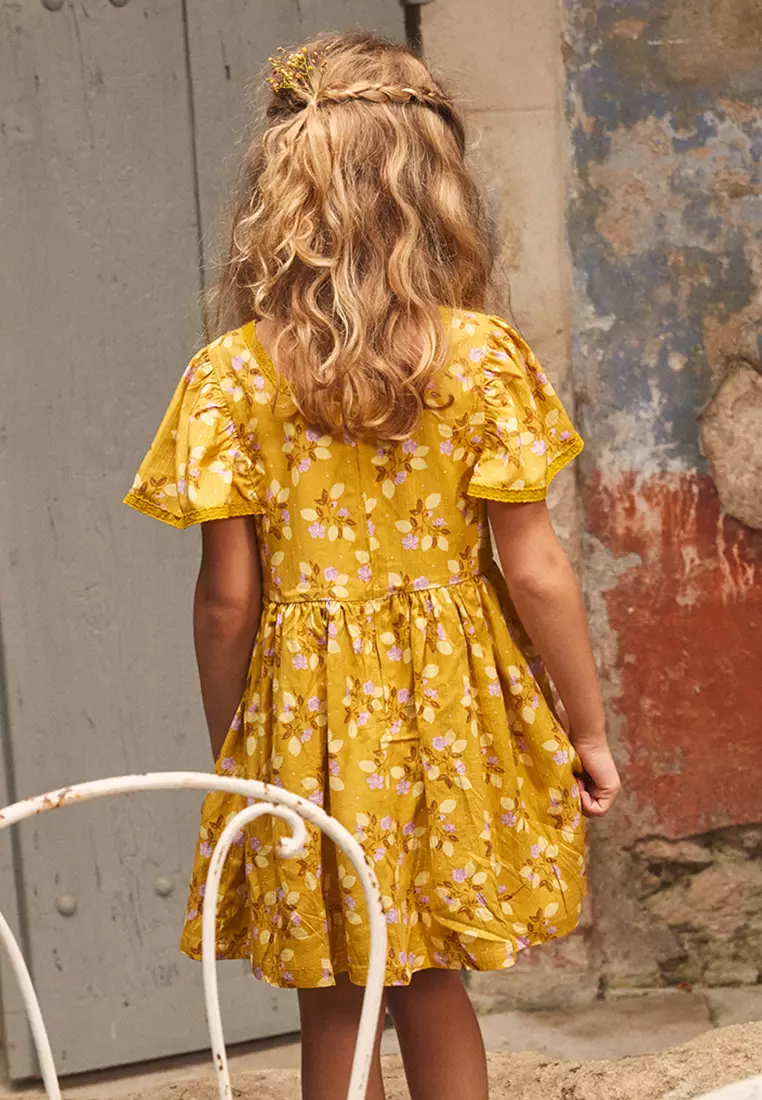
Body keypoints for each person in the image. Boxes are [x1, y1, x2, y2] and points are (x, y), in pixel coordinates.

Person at [124, 29, 620, 1100]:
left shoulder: (229, 376)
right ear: (432, 186)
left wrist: (238, 747)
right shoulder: (482, 358)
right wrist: (585, 726)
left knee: (335, 994)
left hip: (302, 716)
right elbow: (534, 566)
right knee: (431, 974)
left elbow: (227, 600)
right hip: (451, 715)